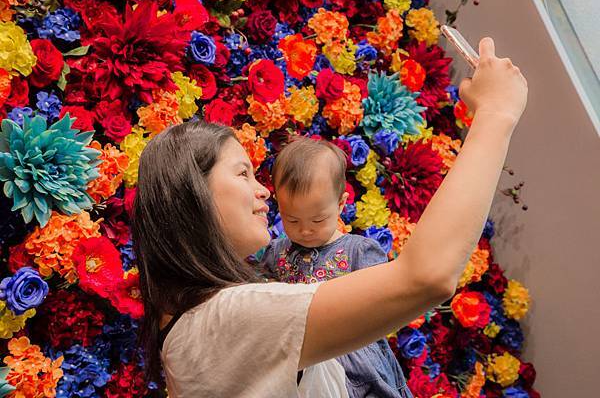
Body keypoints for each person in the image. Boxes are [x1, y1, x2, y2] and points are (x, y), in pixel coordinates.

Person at [132, 38, 528, 397]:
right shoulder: (223, 320)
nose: (263, 191)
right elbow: (426, 276)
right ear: (192, 193)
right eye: (241, 172)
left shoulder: (200, 328)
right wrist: (496, 113)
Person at [260, 137, 412, 397]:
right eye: (292, 219)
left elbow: (381, 306)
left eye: (318, 219)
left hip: (352, 356)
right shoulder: (277, 252)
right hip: (299, 361)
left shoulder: (360, 251)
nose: (305, 230)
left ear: (341, 204)